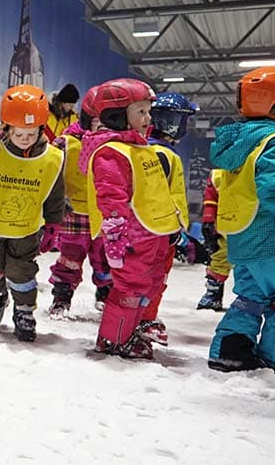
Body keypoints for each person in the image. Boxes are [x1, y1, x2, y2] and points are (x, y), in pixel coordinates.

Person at [79, 78, 181, 360]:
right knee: (130, 289)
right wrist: (115, 235)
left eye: (148, 111)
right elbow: (111, 196)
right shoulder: (111, 151)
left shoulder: (139, 146)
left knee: (147, 286)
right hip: (131, 237)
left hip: (152, 233)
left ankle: (130, 331)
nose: (148, 118)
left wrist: (171, 223)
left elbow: (156, 190)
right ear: (117, 114)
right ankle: (113, 340)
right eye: (141, 112)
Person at [0, 84, 65, 341]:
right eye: (19, 134)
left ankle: (24, 310)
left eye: (31, 133)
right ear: (6, 127)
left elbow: (55, 194)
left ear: (41, 128)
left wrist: (53, 225)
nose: (25, 139)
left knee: (22, 272)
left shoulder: (52, 159)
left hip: (27, 229)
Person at [207, 67, 275, 372]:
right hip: (269, 238)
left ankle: (230, 351)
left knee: (249, 298)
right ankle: (271, 355)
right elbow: (272, 187)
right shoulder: (271, 142)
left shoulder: (240, 143)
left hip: (242, 239)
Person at [46, 85, 113, 319]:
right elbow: (49, 171)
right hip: (74, 212)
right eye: (99, 121)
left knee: (106, 258)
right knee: (70, 257)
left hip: (103, 214)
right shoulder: (67, 143)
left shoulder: (116, 146)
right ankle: (61, 297)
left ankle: (106, 294)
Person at [136, 92, 197, 346]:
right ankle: (143, 318)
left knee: (151, 276)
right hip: (159, 231)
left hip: (159, 228)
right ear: (173, 122)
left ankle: (142, 316)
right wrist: (175, 232)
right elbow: (156, 195)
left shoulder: (153, 149)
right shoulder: (161, 153)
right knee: (154, 276)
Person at [196, 168, 232, 311]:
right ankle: (213, 293)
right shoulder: (218, 175)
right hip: (224, 227)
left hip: (252, 226)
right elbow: (211, 200)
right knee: (218, 258)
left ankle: (251, 299)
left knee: (250, 266)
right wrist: (208, 220)